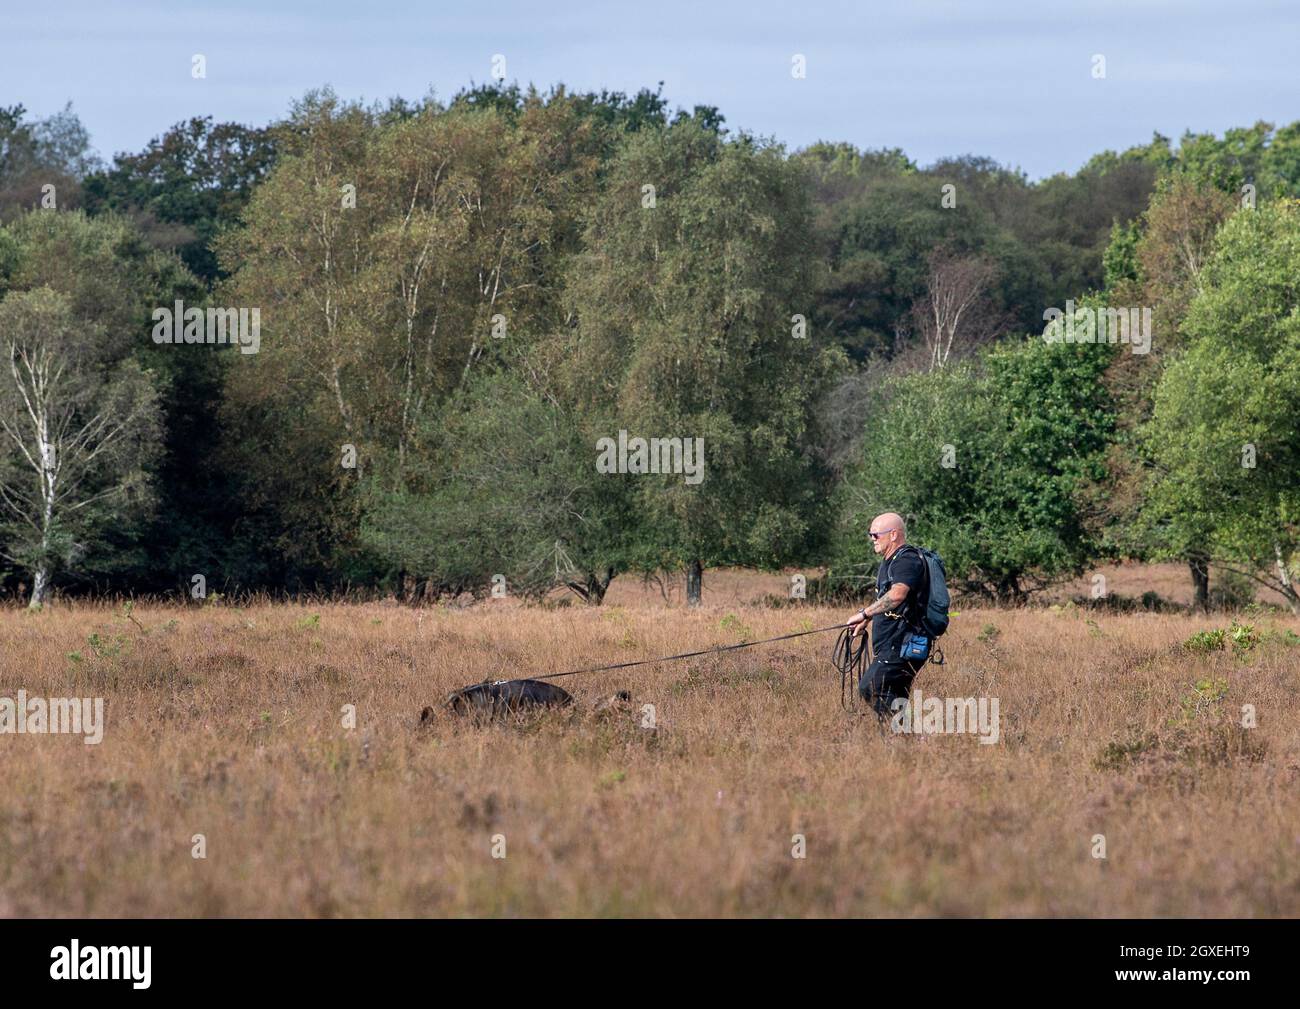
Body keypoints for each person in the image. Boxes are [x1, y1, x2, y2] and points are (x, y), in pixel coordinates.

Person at [845, 512, 929, 719]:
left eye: (876, 535)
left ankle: (910, 736)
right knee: (893, 694)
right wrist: (868, 618)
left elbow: (898, 594)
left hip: (905, 642)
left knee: (871, 687)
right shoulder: (890, 561)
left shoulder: (906, 560)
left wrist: (865, 612)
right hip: (894, 643)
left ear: (893, 534)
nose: (872, 539)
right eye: (870, 534)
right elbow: (889, 600)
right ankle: (903, 746)